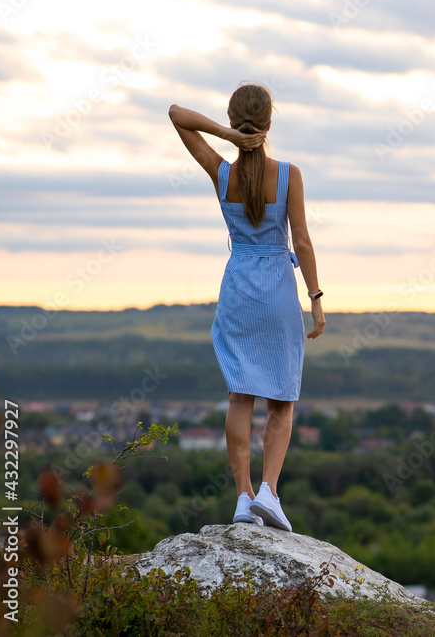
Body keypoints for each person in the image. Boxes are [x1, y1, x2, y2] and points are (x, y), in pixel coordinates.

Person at [168, 82, 326, 532]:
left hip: (238, 288)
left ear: (235, 121)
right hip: (277, 289)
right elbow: (302, 240)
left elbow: (176, 113)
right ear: (270, 123)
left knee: (241, 395)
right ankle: (269, 494)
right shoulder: (288, 174)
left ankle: (242, 498)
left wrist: (226, 137)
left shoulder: (221, 173)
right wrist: (316, 299)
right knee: (282, 399)